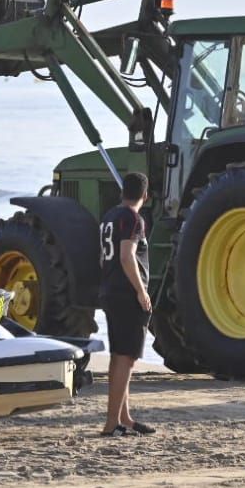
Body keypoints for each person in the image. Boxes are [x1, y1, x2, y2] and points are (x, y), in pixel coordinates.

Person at [99, 171, 156, 437]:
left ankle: (124, 418)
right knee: (127, 358)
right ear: (146, 196)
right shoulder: (134, 219)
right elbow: (126, 256)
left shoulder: (109, 216)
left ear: (122, 192)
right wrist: (141, 292)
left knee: (118, 356)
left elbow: (104, 258)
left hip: (110, 291)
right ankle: (112, 423)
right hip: (126, 294)